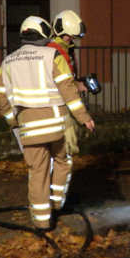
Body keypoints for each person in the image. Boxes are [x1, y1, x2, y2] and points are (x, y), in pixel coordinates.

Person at [0, 15, 95, 230]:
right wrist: (84, 117)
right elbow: (68, 90)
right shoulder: (52, 56)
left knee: (37, 172)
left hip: (28, 128)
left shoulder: (7, 62)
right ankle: (56, 203)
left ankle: (42, 222)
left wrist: (13, 121)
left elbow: (1, 99)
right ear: (44, 33)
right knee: (63, 161)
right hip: (56, 125)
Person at [49, 10, 88, 155]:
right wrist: (77, 85)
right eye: (69, 36)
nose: (70, 39)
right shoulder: (56, 51)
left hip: (58, 106)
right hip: (56, 107)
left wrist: (76, 83)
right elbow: (61, 82)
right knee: (64, 151)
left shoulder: (63, 49)